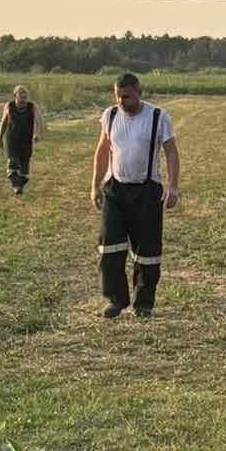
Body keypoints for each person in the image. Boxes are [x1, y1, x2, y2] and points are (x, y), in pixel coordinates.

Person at [91, 73, 180, 319]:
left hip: (146, 191)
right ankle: (116, 300)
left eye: (126, 96)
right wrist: (95, 184)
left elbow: (171, 152)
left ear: (140, 91)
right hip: (115, 190)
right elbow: (102, 150)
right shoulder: (110, 116)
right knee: (110, 247)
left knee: (148, 252)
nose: (121, 101)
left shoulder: (158, 117)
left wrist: (173, 186)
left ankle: (144, 304)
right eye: (117, 96)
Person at [0, 85, 43, 195]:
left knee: (25, 172)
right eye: (21, 94)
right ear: (15, 95)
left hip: (26, 139)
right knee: (14, 162)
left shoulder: (32, 107)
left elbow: (38, 120)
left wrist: (37, 133)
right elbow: (3, 122)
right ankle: (16, 185)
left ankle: (19, 186)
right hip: (11, 138)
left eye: (25, 94)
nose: (24, 96)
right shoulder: (9, 106)